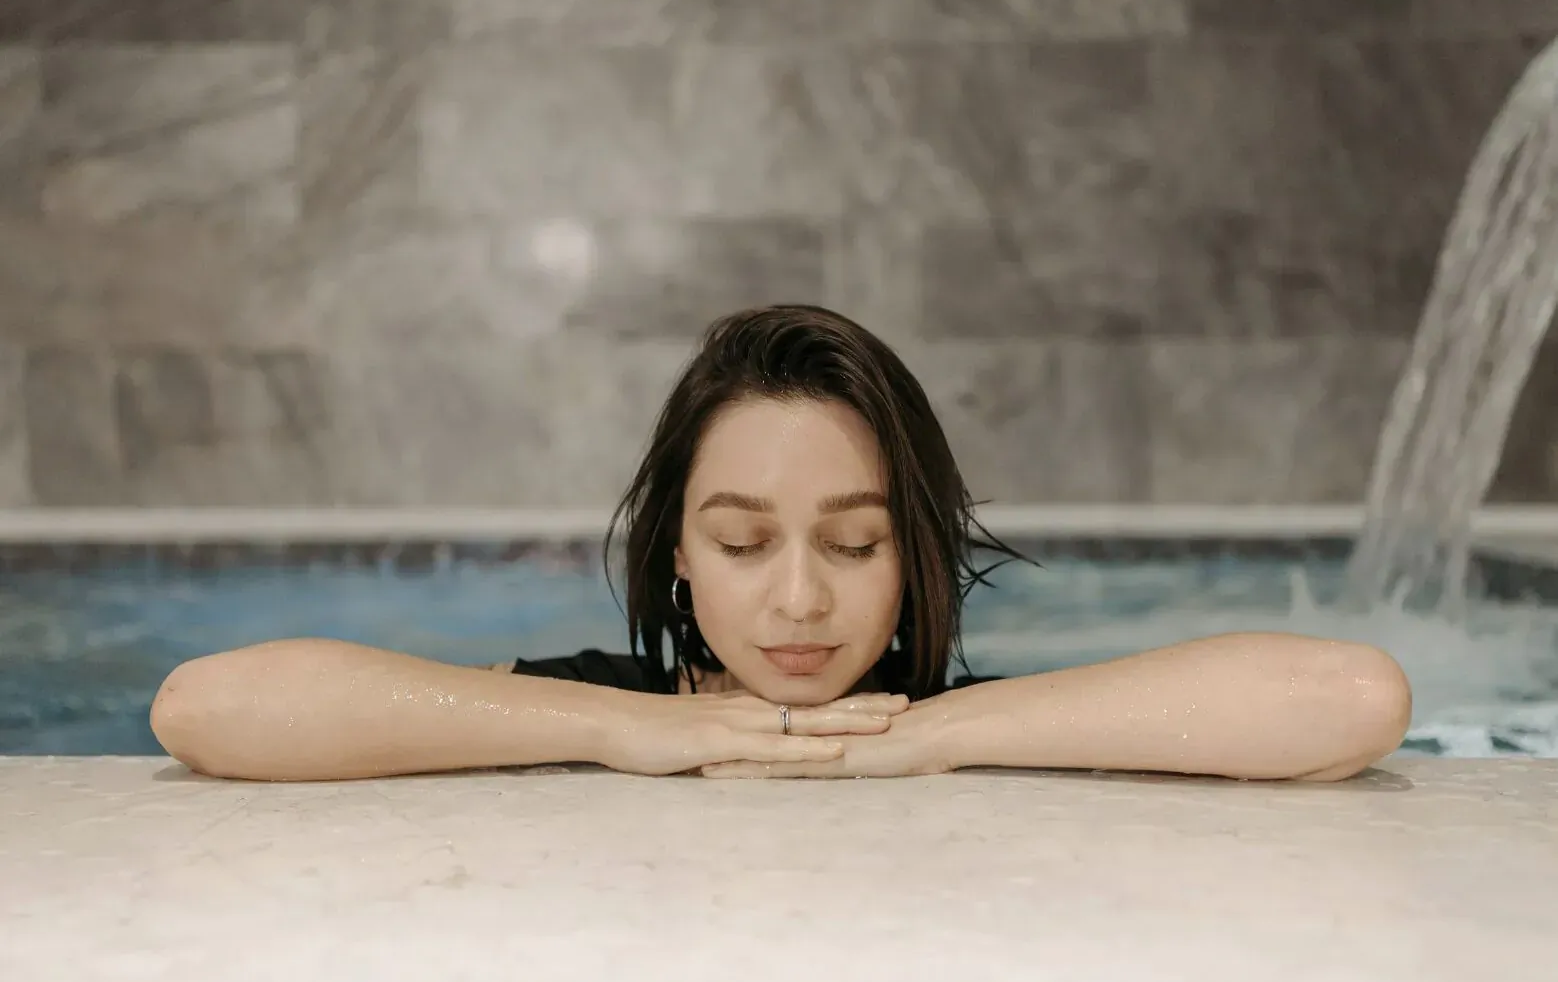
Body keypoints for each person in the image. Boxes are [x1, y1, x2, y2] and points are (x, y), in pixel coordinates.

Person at [150, 305, 1413, 783]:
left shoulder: (949, 723)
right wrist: (620, 726)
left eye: (856, 546)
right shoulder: (611, 707)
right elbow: (209, 707)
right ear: (679, 555)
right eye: (743, 542)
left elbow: (1349, 698)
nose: (799, 600)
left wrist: (940, 732)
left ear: (914, 553)